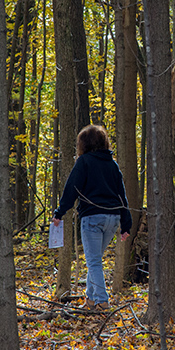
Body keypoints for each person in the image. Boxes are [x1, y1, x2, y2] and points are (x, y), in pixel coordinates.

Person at [53, 124, 132, 311]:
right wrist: (125, 223)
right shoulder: (112, 164)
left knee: (94, 261)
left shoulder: (84, 162)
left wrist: (60, 212)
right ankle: (90, 299)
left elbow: (71, 187)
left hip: (93, 218)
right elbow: (122, 195)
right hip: (112, 219)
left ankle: (102, 301)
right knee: (94, 259)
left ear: (84, 144)